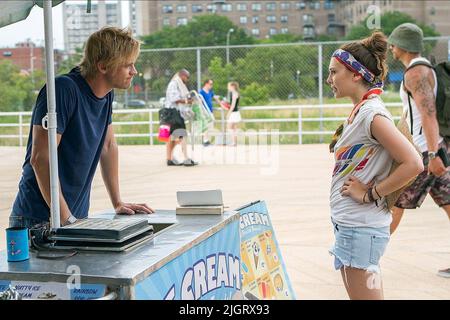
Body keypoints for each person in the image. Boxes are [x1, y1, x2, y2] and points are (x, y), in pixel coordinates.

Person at [9, 27, 154, 229]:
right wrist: (66, 218)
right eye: (127, 65)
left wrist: (117, 202)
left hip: (73, 217)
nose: (134, 71)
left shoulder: (106, 94)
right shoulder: (63, 90)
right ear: (103, 66)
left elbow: (108, 146)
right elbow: (40, 158)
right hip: (39, 219)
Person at [327, 31, 423, 299]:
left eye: (334, 72)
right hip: (353, 227)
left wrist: (371, 193)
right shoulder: (361, 110)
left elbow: (413, 163)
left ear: (356, 74)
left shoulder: (372, 114)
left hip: (361, 229)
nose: (329, 80)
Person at [387, 23, 450, 278]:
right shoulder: (425, 68)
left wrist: (434, 155)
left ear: (402, 46)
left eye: (393, 43)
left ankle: (362, 257)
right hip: (436, 149)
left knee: (393, 201)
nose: (391, 47)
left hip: (426, 153)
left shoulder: (416, 73)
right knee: (448, 203)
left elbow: (428, 115)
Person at [164, 69, 198, 166]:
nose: (187, 79)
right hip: (172, 112)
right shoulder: (174, 84)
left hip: (172, 113)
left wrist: (187, 100)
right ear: (182, 75)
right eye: (187, 77)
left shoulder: (177, 84)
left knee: (174, 137)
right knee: (182, 135)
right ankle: (186, 158)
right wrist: (187, 101)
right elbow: (174, 99)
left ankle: (169, 159)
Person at [199, 79, 220, 146]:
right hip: (205, 111)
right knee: (206, 126)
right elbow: (199, 102)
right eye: (210, 84)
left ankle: (206, 140)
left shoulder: (210, 92)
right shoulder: (201, 92)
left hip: (210, 111)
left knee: (210, 125)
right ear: (206, 84)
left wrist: (221, 104)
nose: (211, 86)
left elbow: (215, 98)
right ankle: (205, 141)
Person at [221, 82, 241, 146]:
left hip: (233, 113)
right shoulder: (233, 93)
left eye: (229, 86)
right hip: (235, 112)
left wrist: (228, 114)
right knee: (234, 128)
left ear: (233, 86)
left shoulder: (234, 94)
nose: (228, 88)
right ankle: (234, 142)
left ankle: (233, 142)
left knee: (229, 128)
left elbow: (233, 105)